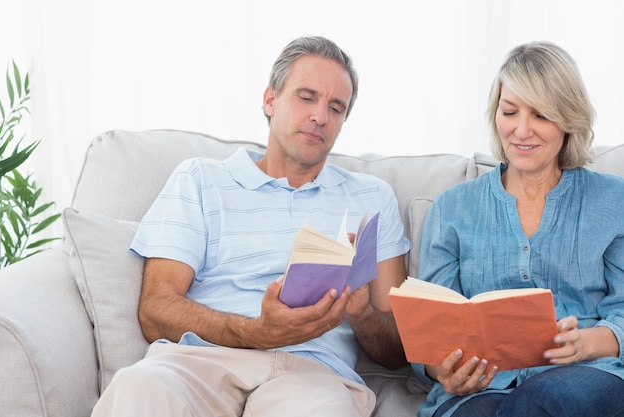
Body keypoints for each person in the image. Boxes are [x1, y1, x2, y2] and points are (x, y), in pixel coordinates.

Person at [90, 35, 410, 417]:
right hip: (201, 361)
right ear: (271, 100)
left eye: (336, 107)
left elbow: (397, 350)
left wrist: (361, 314)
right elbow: (156, 309)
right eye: (306, 97)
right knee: (139, 386)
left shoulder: (372, 197)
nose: (320, 117)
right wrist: (258, 330)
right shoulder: (201, 180)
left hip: (312, 376)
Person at [411, 41, 624, 417]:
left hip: (586, 372)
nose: (521, 130)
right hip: (481, 386)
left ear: (568, 119)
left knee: (539, 402)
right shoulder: (452, 208)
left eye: (540, 115)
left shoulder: (612, 200)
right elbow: (432, 331)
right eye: (510, 112)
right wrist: (442, 370)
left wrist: (585, 344)